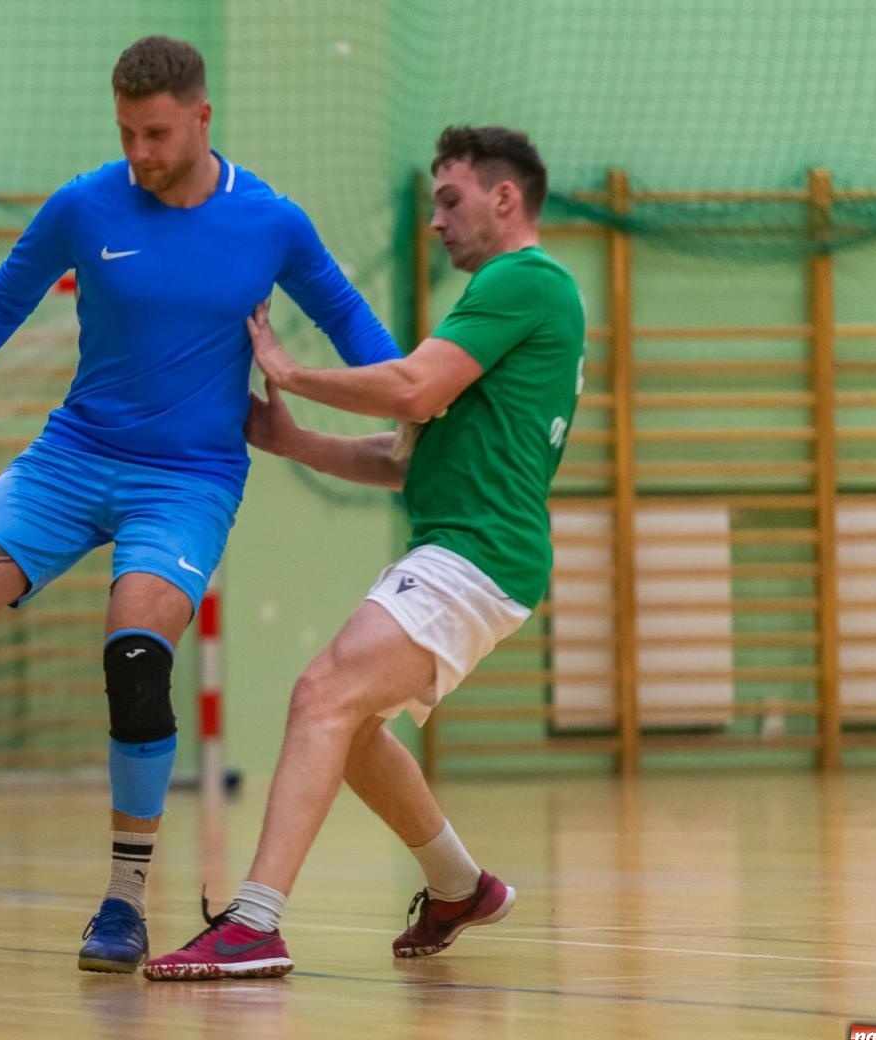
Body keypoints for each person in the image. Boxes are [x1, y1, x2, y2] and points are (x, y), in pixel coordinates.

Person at [0, 35, 400, 977]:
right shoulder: (86, 203)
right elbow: (0, 302)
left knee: (134, 658)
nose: (140, 152)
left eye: (158, 133)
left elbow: (358, 331)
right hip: (73, 455)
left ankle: (125, 902)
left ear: (203, 118)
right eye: (127, 132)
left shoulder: (272, 222)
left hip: (188, 481)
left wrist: (415, 410)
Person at [143, 125, 585, 980]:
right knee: (347, 726)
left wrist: (290, 368)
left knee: (321, 696)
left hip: (479, 555)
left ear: (505, 198)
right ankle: (459, 886)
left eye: (449, 200)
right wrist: (294, 440)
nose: (435, 222)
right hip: (472, 550)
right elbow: (402, 457)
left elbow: (414, 387)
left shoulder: (524, 279)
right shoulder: (515, 296)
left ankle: (255, 923)